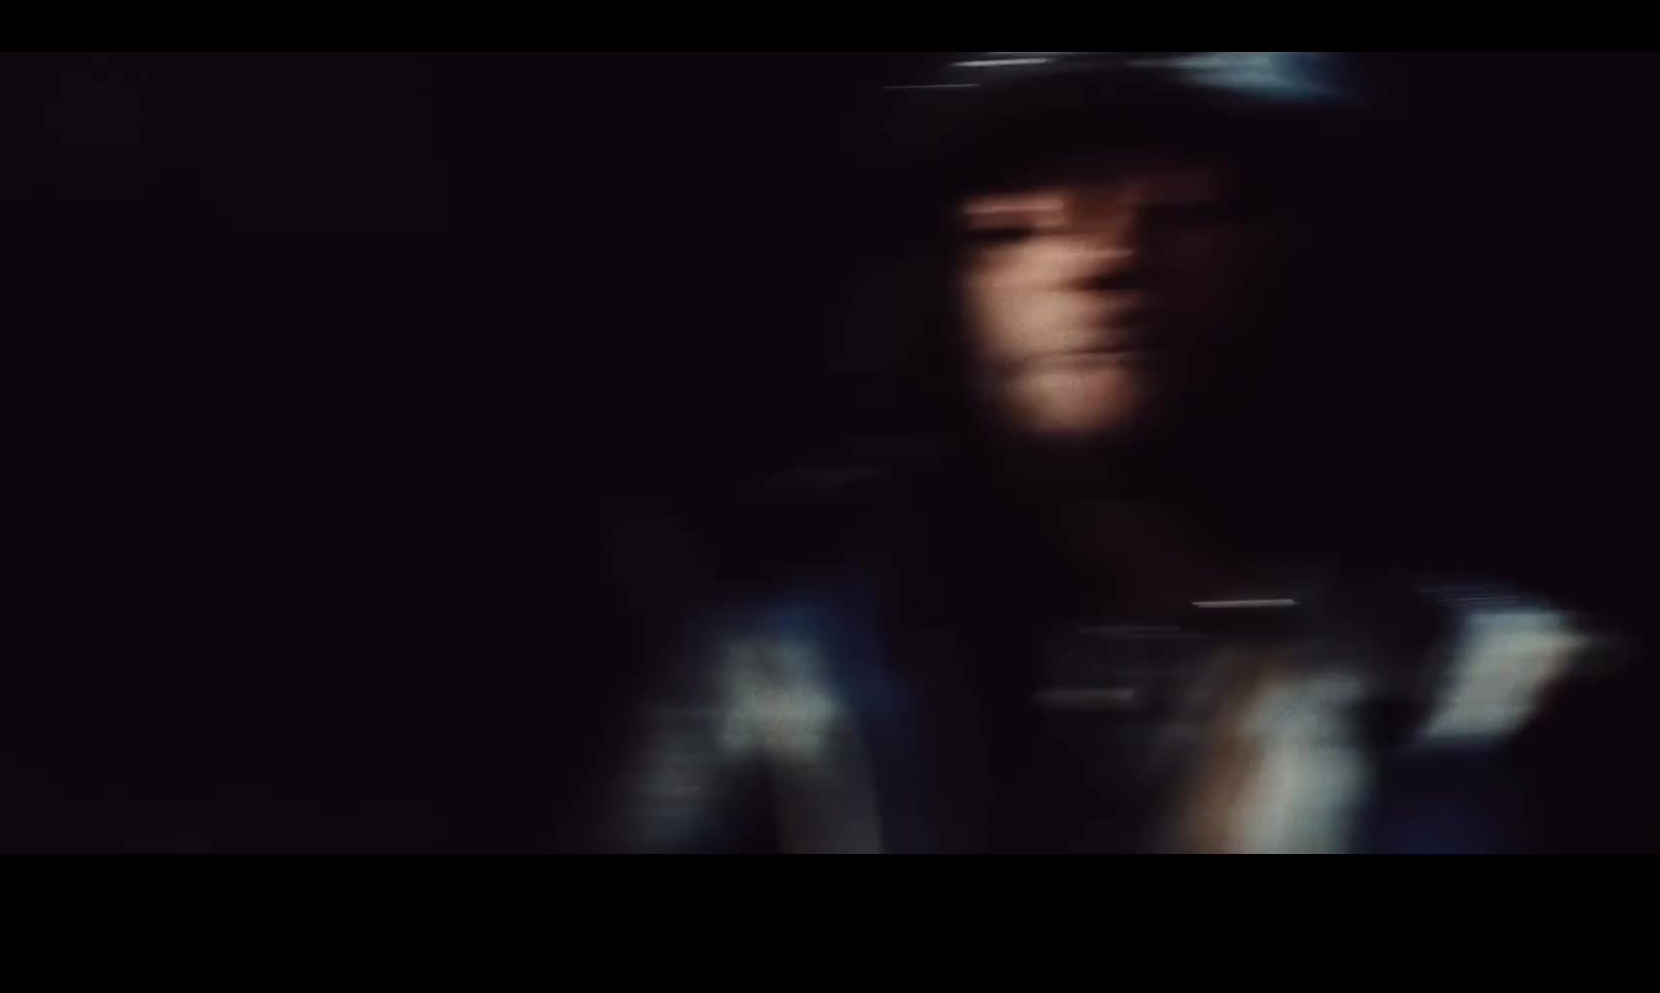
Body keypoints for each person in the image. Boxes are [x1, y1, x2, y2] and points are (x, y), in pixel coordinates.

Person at [594, 52, 1658, 854]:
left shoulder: (1503, 688)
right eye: (1016, 229)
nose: (1102, 261)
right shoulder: (788, 688)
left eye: (1182, 212)